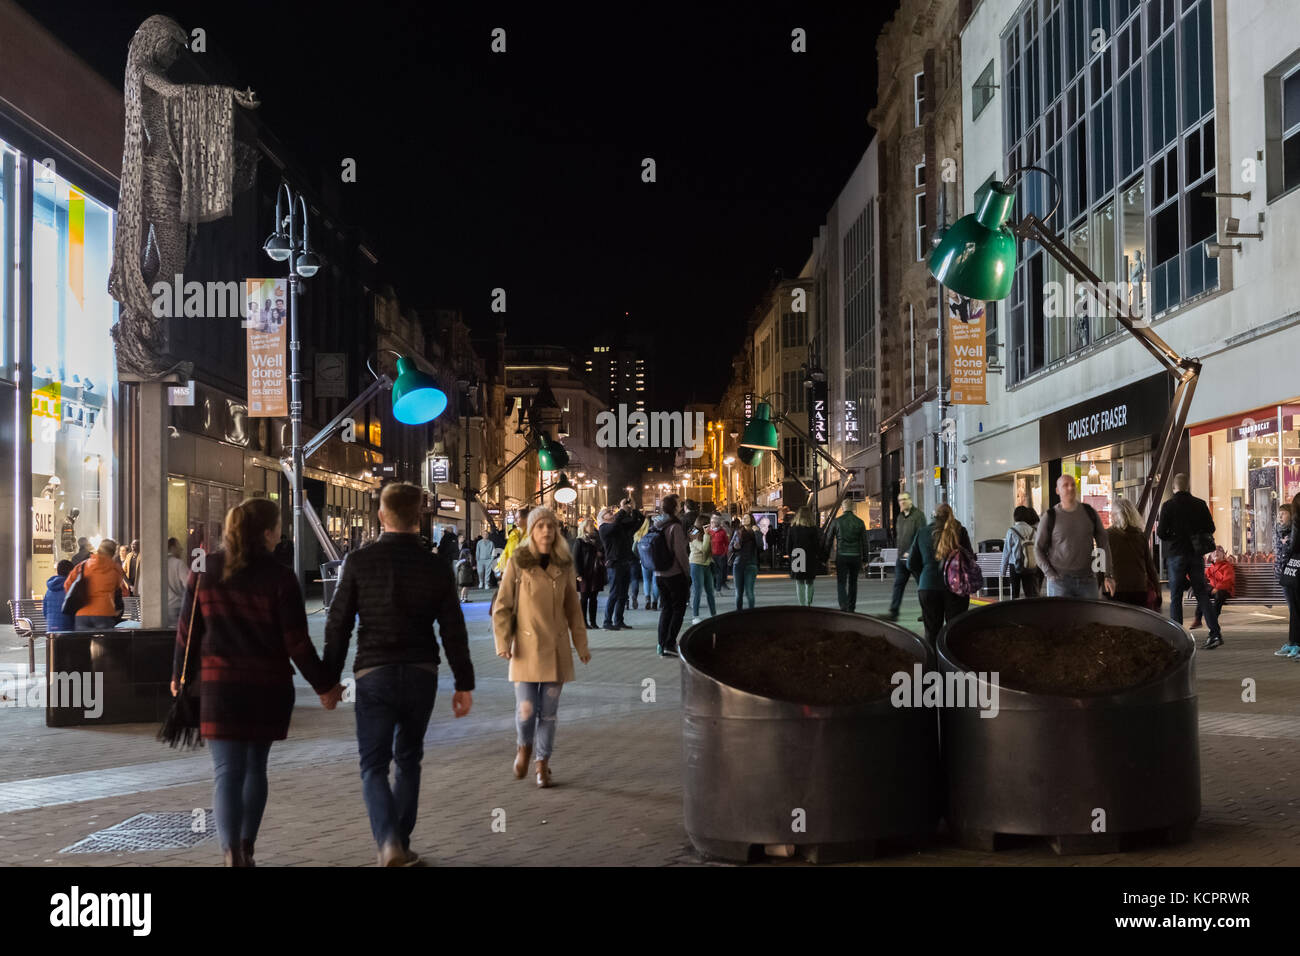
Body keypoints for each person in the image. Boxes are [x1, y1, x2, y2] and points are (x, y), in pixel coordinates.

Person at [173, 499, 342, 867]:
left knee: (226, 773)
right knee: (255, 768)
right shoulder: (280, 577)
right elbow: (296, 641)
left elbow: (187, 631)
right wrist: (324, 685)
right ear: (266, 533)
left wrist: (178, 676)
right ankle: (247, 848)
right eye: (277, 527)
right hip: (267, 687)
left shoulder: (204, 570)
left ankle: (231, 853)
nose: (280, 533)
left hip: (218, 688)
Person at [323, 482, 474, 867]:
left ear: (381, 515)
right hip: (422, 671)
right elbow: (453, 627)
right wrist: (464, 683)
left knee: (373, 764)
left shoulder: (358, 561)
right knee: (409, 759)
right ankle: (401, 844)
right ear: (418, 516)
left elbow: (338, 623)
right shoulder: (435, 565)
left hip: (373, 672)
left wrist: (328, 681)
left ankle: (388, 841)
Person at [491, 506, 590, 788]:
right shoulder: (518, 563)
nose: (546, 531)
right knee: (526, 710)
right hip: (524, 648)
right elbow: (503, 606)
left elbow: (573, 609)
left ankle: (542, 764)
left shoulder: (564, 563)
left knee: (548, 713)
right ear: (531, 531)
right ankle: (524, 748)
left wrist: (581, 644)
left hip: (557, 649)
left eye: (550, 526)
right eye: (540, 526)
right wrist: (503, 641)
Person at [1156, 473, 1224, 649]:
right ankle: (1215, 633)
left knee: (1176, 596)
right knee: (1201, 593)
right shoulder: (1200, 504)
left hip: (1176, 553)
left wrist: (1175, 535)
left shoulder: (1168, 506)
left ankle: (1179, 639)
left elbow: (1161, 532)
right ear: (1188, 486)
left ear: (1174, 487)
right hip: (1195, 554)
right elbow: (1211, 527)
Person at [1036, 474, 1115, 600]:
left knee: (1090, 618)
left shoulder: (1089, 513)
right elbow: (1038, 548)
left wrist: (1108, 575)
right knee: (1061, 619)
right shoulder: (1050, 516)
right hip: (1059, 581)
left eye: (1073, 485)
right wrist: (1049, 573)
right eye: (1065, 485)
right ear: (1057, 490)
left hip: (1087, 580)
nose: (1070, 488)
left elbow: (1103, 544)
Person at [909, 503, 974, 647]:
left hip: (928, 586)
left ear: (934, 516)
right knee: (955, 630)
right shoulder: (960, 531)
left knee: (931, 631)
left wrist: (922, 579)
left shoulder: (922, 532)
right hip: (955, 587)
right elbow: (970, 557)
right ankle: (952, 663)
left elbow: (911, 563)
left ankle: (934, 664)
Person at [653, 494, 691, 656]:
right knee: (678, 609)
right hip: (675, 573)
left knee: (666, 609)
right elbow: (680, 553)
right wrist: (687, 573)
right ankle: (670, 643)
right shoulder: (675, 526)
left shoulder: (656, 524)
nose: (681, 506)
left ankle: (661, 644)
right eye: (679, 504)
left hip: (659, 574)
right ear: (674, 507)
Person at [1105, 498, 1161, 609]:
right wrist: (1157, 590)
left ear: (1116, 515)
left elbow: (1099, 566)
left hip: (1115, 588)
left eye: (1112, 512)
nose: (1111, 515)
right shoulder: (1140, 536)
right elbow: (1150, 567)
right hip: (1139, 588)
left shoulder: (1107, 535)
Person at [64, 539, 131, 630]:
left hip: (82, 614)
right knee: (104, 643)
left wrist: (80, 597)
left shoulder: (83, 565)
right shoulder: (115, 569)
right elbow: (120, 591)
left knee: (83, 643)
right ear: (113, 553)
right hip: (104, 613)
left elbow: (67, 585)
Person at [598, 498, 644, 631]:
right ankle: (607, 621)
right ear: (602, 518)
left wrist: (634, 509)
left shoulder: (618, 527)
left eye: (612, 512)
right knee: (614, 593)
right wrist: (622, 509)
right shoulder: (604, 528)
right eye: (608, 512)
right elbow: (616, 524)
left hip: (625, 562)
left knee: (623, 594)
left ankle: (618, 620)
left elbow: (638, 523)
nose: (612, 513)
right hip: (614, 564)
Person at [887, 491, 925, 618]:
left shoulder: (918, 516)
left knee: (922, 586)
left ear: (910, 500)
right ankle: (894, 612)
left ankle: (926, 612)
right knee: (898, 584)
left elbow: (921, 536)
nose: (902, 502)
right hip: (901, 558)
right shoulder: (900, 517)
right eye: (899, 500)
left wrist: (911, 552)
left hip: (914, 558)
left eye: (904, 499)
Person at [829, 502, 867, 612]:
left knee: (841, 582)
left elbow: (829, 539)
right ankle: (851, 607)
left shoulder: (837, 521)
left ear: (843, 508)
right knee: (853, 582)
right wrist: (865, 559)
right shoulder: (860, 522)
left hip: (842, 555)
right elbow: (865, 542)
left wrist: (824, 556)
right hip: (855, 556)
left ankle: (843, 605)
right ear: (853, 508)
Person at [999, 505, 1041, 600]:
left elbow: (1006, 552)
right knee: (1030, 594)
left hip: (1014, 565)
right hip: (1030, 564)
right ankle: (1030, 611)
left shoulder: (1011, 531)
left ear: (1015, 516)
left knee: (1015, 594)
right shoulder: (1033, 531)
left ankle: (1015, 612)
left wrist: (1003, 570)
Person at [1276, 497, 1300, 658]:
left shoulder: (1296, 523)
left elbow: (1293, 546)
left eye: (1284, 513)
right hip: (1288, 571)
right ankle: (1293, 642)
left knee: (1295, 609)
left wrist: (1287, 544)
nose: (1280, 517)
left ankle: (1295, 643)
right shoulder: (1283, 528)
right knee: (1294, 609)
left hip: (1293, 570)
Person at [572, 517, 606, 628]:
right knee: (584, 598)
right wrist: (578, 574)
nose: (592, 528)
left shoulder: (597, 540)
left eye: (593, 525)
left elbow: (603, 553)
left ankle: (593, 622)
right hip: (584, 574)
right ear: (584, 528)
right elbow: (576, 559)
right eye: (590, 526)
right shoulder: (580, 541)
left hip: (596, 573)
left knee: (594, 599)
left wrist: (601, 554)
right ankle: (583, 622)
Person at [787, 505, 824, 606]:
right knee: (809, 581)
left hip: (797, 555)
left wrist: (791, 557)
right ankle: (808, 603)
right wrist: (820, 557)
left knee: (799, 582)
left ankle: (802, 604)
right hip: (809, 556)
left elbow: (789, 545)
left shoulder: (793, 528)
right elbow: (817, 545)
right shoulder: (813, 528)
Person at [1194, 546, 1236, 629]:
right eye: (1213, 552)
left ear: (1223, 555)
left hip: (1225, 590)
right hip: (1213, 590)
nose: (1216, 552)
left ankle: (1213, 619)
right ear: (1211, 557)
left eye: (1219, 551)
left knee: (1219, 595)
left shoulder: (1227, 566)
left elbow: (1228, 580)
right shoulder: (1211, 568)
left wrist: (1218, 587)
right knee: (1203, 594)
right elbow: (1201, 576)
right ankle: (1198, 619)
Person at [688, 516, 717, 624]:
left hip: (707, 564)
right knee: (698, 591)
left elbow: (710, 548)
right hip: (696, 564)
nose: (710, 526)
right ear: (703, 525)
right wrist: (706, 535)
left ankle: (714, 614)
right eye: (708, 524)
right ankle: (695, 616)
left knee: (710, 591)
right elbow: (703, 548)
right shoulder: (692, 532)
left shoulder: (707, 534)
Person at [730, 514, 759, 611]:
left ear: (751, 520)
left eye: (746, 517)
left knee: (749, 592)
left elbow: (761, 546)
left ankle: (751, 614)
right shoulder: (738, 532)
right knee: (738, 592)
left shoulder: (755, 531)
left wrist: (757, 533)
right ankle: (739, 613)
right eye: (743, 518)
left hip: (751, 564)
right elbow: (730, 548)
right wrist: (734, 547)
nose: (744, 519)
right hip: (738, 564)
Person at [634, 514, 660, 611]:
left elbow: (634, 548)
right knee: (655, 582)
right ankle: (655, 603)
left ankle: (647, 600)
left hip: (644, 561)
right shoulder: (658, 533)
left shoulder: (640, 534)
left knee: (646, 580)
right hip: (656, 562)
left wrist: (640, 557)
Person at [42, 559, 75, 633]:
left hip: (51, 628)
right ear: (70, 572)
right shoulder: (71, 587)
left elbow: (44, 611)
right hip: (67, 628)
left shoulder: (49, 590)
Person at [165, 537, 188, 630]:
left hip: (158, 610)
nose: (182, 549)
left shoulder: (157, 564)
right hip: (177, 607)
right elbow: (189, 585)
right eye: (179, 546)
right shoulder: (178, 564)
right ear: (172, 547)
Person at [708, 514, 730, 593]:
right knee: (713, 572)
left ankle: (718, 588)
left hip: (720, 555)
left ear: (717, 522)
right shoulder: (708, 531)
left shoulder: (722, 532)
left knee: (719, 572)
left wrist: (725, 553)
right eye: (711, 522)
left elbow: (727, 543)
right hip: (711, 555)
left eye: (713, 522)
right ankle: (714, 586)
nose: (712, 523)